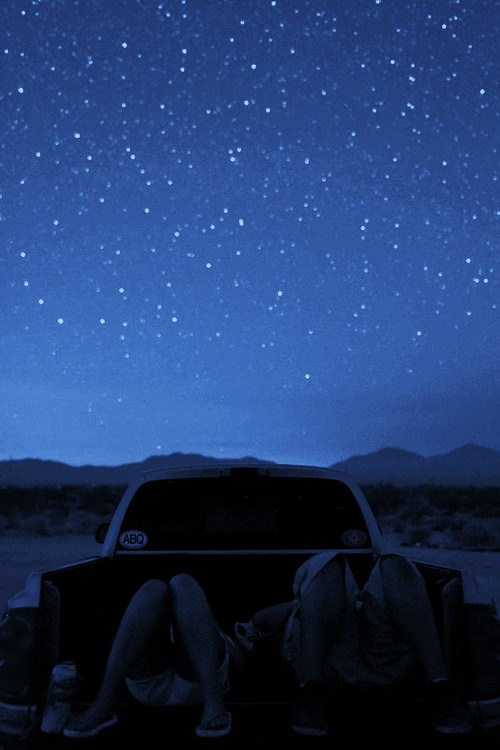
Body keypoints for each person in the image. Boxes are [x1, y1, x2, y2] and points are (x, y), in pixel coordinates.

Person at [234, 551, 473, 738]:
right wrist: (303, 602)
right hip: (334, 666)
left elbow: (260, 621)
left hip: (375, 662)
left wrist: (340, 602)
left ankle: (441, 684)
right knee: (325, 562)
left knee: (393, 564)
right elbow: (260, 622)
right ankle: (312, 689)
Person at [63, 574, 246, 740]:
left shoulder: (222, 623)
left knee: (183, 583)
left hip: (202, 683)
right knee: (153, 588)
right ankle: (102, 705)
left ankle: (213, 702)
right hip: (152, 683)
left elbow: (243, 666)